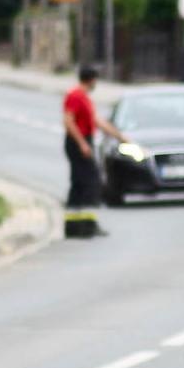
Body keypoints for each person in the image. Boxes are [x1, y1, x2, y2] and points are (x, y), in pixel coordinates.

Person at [61, 67, 123, 239]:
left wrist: (119, 136)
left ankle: (74, 226)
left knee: (79, 183)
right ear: (91, 79)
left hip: (82, 141)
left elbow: (97, 121)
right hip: (78, 142)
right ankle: (86, 225)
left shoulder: (84, 98)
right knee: (92, 182)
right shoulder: (75, 96)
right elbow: (68, 121)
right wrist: (82, 143)